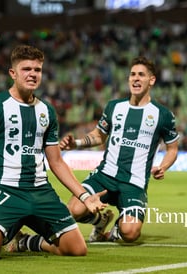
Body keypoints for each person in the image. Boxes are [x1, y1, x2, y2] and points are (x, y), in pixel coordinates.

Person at [0, 44, 106, 260]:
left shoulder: (47, 111)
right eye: (27, 69)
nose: (33, 74)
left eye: (37, 70)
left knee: (77, 249)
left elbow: (57, 162)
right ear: (13, 73)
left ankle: (27, 241)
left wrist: (84, 196)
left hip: (40, 192)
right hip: (5, 191)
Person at [60, 56, 179, 243]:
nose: (136, 79)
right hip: (105, 176)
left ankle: (118, 229)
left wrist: (163, 166)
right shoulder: (114, 107)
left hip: (134, 183)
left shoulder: (162, 115)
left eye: (141, 75)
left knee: (130, 233)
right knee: (74, 210)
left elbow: (172, 148)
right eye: (132, 75)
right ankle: (100, 221)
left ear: (152, 80)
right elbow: (99, 135)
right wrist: (77, 143)